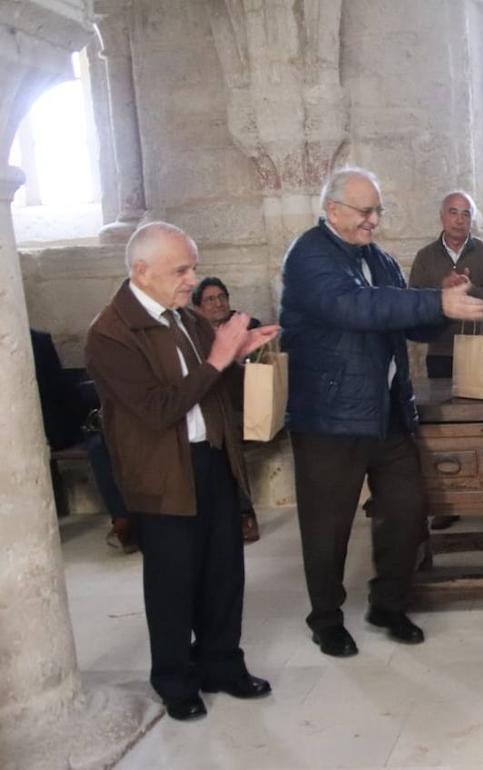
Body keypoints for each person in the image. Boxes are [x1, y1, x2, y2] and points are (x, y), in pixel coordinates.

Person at [280, 166, 483, 658]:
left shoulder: (380, 258)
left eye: (378, 211)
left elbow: (406, 323)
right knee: (327, 526)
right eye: (365, 211)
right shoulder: (309, 254)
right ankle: (326, 619)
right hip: (331, 417)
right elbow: (356, 307)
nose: (374, 220)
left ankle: (388, 605)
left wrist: (440, 301)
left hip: (387, 412)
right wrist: (434, 302)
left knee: (406, 512)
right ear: (333, 211)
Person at [85, 222, 279, 721]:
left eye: (193, 268)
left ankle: (223, 665)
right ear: (142, 271)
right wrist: (217, 359)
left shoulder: (187, 319)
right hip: (161, 474)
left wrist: (237, 355)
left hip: (212, 459)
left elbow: (212, 388)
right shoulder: (110, 333)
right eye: (181, 270)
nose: (192, 280)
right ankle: (175, 680)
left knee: (224, 572)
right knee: (173, 582)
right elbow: (157, 410)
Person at [408, 191, 483, 531]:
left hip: (481, 352)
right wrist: (442, 291)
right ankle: (449, 502)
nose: (459, 219)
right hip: (441, 351)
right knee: (445, 431)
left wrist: (468, 289)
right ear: (442, 217)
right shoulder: (425, 257)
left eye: (466, 213)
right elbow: (413, 302)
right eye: (453, 212)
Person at [30, 328, 137, 552]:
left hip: (50, 425)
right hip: (26, 429)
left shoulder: (36, 341)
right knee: (100, 443)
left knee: (100, 443)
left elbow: (56, 393)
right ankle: (123, 520)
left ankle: (124, 520)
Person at [193, 276, 263, 542]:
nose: (218, 303)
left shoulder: (247, 326)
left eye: (222, 297)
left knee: (226, 431)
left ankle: (245, 512)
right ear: (199, 307)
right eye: (210, 300)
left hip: (244, 404)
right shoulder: (194, 336)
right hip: (210, 405)